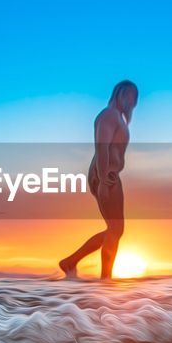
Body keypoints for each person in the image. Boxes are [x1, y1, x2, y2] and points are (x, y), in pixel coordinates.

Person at [59, 80, 138, 280]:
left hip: (111, 175)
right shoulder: (109, 115)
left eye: (135, 97)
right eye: (128, 94)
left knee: (115, 230)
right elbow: (102, 147)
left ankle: (72, 262)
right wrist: (103, 180)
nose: (132, 99)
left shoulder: (118, 119)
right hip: (105, 174)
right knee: (115, 229)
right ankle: (105, 280)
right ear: (118, 93)